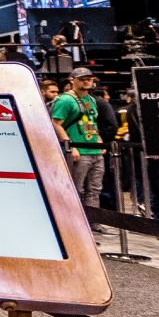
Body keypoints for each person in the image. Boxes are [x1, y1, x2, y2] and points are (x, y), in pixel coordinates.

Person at [51, 68, 110, 210]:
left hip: (94, 149)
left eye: (89, 79)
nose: (87, 81)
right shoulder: (65, 100)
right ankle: (75, 218)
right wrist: (70, 146)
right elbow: (56, 123)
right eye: (82, 79)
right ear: (72, 80)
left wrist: (98, 140)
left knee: (95, 190)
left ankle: (93, 219)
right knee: (76, 189)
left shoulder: (91, 99)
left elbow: (90, 122)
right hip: (79, 151)